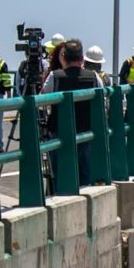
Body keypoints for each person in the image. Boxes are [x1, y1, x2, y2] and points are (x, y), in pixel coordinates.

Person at [41, 40, 103, 187]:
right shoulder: (93, 77)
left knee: (59, 170)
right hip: (85, 131)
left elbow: (41, 100)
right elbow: (102, 99)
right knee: (85, 171)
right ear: (82, 58)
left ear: (64, 57)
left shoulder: (55, 76)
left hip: (59, 131)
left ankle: (59, 194)